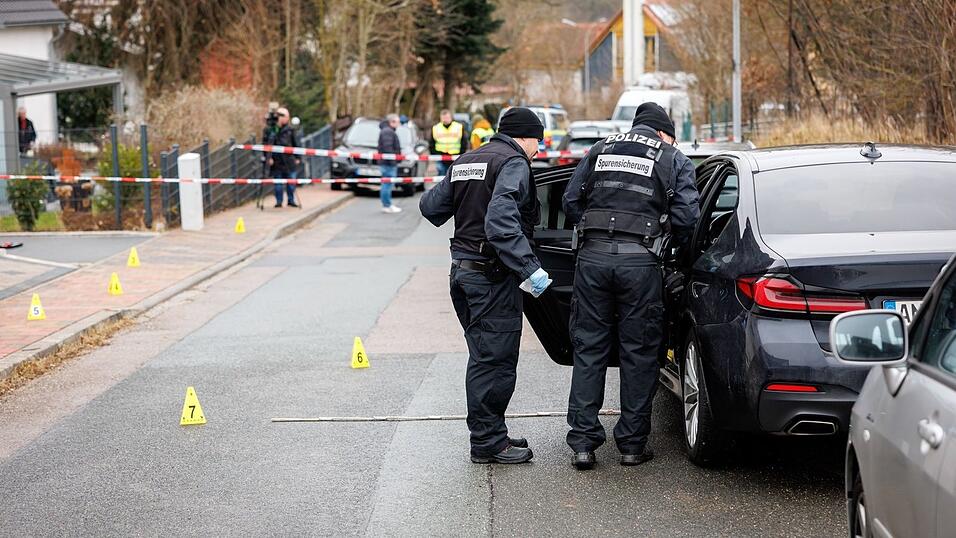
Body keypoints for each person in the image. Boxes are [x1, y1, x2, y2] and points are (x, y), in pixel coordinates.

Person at [562, 102, 700, 470]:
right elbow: (688, 217)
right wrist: (674, 251)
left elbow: (570, 200)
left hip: (592, 261)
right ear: (663, 133)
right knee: (638, 352)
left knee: (589, 348)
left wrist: (591, 234)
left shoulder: (600, 149)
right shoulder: (671, 157)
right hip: (640, 264)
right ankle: (632, 446)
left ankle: (583, 444)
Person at [420, 107, 551, 464]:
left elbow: (431, 207)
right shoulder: (513, 163)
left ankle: (492, 432)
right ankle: (488, 444)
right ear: (525, 136)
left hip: (462, 273)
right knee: (494, 360)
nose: (539, 149)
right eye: (538, 140)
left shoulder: (468, 159)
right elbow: (500, 221)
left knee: (483, 354)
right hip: (492, 277)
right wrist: (529, 268)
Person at [267, 107, 299, 208]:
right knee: (278, 183)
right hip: (277, 161)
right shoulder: (272, 130)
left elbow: (295, 143)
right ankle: (279, 201)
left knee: (291, 182)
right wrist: (269, 157)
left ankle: (291, 200)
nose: (287, 119)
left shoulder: (290, 130)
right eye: (285, 116)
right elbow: (268, 144)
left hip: (289, 160)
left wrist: (297, 157)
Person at [377, 114, 403, 214]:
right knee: (387, 184)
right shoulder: (388, 132)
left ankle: (387, 204)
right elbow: (388, 148)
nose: (399, 124)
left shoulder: (387, 131)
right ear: (392, 122)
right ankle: (387, 205)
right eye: (397, 122)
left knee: (386, 183)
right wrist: (393, 161)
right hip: (388, 163)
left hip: (387, 162)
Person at [430, 109, 468, 178]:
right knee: (441, 177)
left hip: (455, 157)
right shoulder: (436, 128)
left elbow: (464, 142)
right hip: (441, 157)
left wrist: (461, 153)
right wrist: (435, 154)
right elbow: (432, 143)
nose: (445, 119)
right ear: (440, 118)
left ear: (451, 117)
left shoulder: (458, 127)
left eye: (447, 117)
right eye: (443, 118)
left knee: (454, 177)